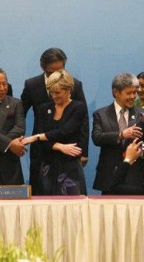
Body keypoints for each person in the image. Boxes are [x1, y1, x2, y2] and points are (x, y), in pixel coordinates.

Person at [21, 47, 88, 194]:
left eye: (61, 69)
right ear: (43, 67)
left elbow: (82, 122)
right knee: (41, 192)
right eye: (52, 71)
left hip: (69, 150)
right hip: (42, 151)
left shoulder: (75, 85)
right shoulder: (32, 85)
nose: (58, 74)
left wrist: (84, 152)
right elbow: (21, 113)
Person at [92, 72, 144, 194]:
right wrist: (121, 135)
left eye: (134, 92)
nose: (133, 97)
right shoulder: (101, 114)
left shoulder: (143, 114)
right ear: (116, 92)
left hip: (136, 177)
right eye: (129, 93)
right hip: (110, 177)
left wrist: (140, 150)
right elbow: (97, 138)